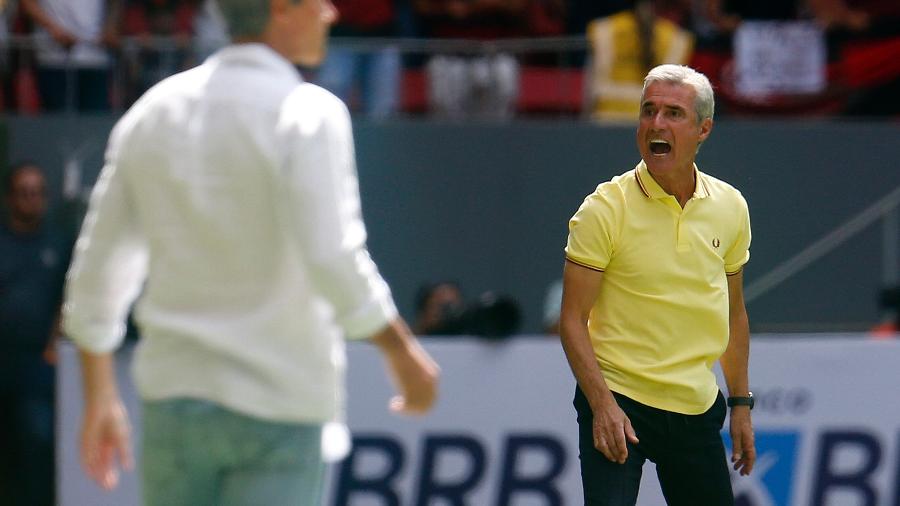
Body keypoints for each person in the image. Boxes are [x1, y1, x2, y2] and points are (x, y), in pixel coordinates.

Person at [61, 1, 439, 504]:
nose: (329, 13)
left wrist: (101, 393)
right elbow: (332, 256)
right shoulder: (311, 113)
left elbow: (97, 273)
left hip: (175, 403)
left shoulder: (152, 112)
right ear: (280, 9)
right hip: (278, 409)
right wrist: (400, 351)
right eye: (316, 1)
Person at [558, 64, 755, 505]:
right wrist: (602, 404)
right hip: (618, 398)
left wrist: (741, 404)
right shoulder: (603, 209)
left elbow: (733, 313)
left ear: (704, 129)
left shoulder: (731, 206)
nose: (656, 124)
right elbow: (572, 321)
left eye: (673, 113)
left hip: (696, 408)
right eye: (648, 111)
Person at [0, 162, 71, 506]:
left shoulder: (58, 242)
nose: (32, 199)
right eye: (24, 192)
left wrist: (54, 343)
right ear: (9, 198)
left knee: (38, 441)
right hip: (2, 355)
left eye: (38, 192)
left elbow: (65, 297)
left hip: (37, 362)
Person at [20, 0, 121, 111]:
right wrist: (53, 29)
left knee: (96, 120)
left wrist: (111, 25)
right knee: (58, 120)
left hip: (96, 57)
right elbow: (27, 3)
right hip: (53, 59)